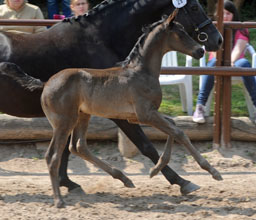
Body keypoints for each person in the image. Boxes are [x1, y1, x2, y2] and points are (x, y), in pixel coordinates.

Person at [193, 0, 256, 124]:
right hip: (216, 63)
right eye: (222, 13)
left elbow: (239, 47)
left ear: (234, 14)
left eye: (228, 13)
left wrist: (230, 63)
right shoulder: (213, 29)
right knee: (212, 65)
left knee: (244, 64)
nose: (225, 16)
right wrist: (221, 63)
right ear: (217, 14)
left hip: (236, 63)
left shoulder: (241, 29)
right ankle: (200, 107)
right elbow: (214, 50)